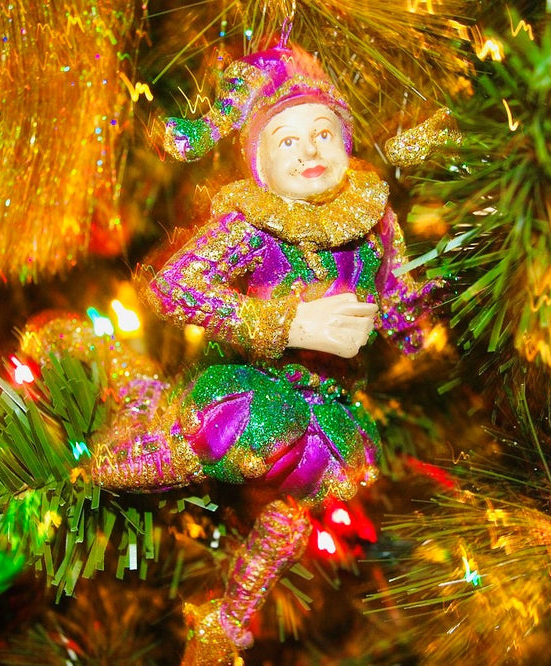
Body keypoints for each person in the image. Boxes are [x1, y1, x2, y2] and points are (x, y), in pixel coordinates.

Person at [90, 43, 443, 664]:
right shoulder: (252, 224)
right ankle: (133, 451)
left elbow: (395, 305)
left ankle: (230, 616)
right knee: (252, 427)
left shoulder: (373, 218)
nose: (310, 151)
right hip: (255, 378)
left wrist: (428, 311)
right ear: (259, 162)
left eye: (324, 132)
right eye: (286, 140)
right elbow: (172, 286)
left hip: (328, 400)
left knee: (330, 481)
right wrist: (290, 322)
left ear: (346, 141)